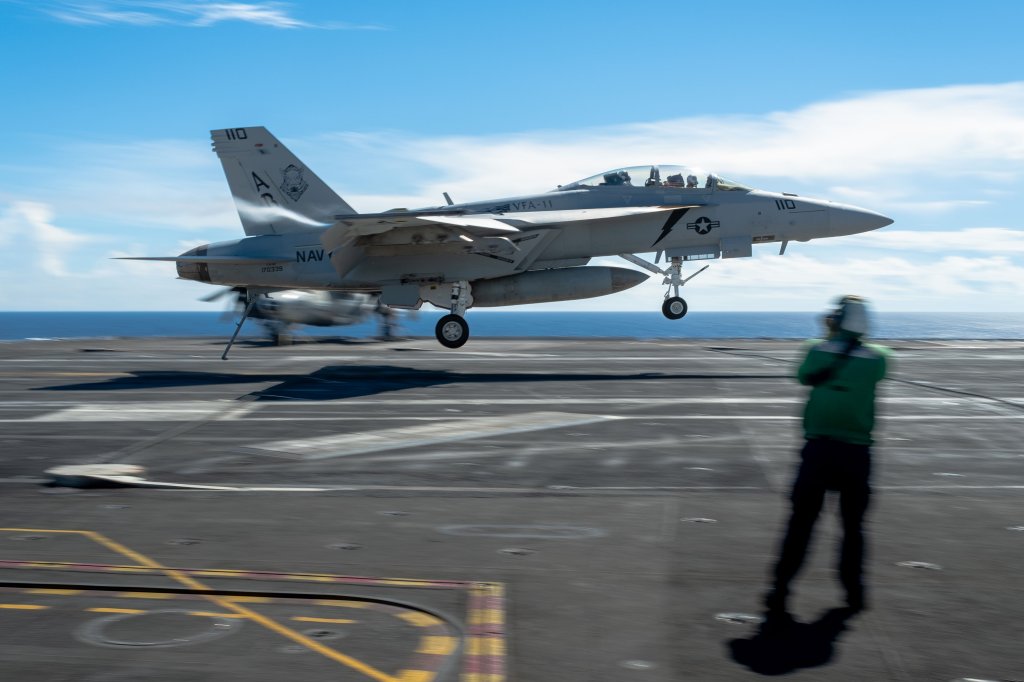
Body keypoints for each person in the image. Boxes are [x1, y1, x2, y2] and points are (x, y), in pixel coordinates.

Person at [764, 295, 891, 620]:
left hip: (818, 451)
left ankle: (780, 590)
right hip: (857, 454)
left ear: (837, 320)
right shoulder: (878, 358)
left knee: (801, 525)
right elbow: (876, 369)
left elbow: (804, 377)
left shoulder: (816, 350)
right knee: (853, 528)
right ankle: (854, 594)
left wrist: (830, 334)